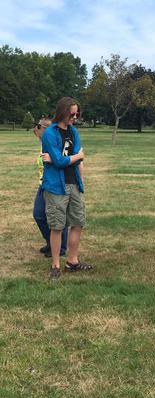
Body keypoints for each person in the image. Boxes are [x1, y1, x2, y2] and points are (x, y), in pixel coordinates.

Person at [42, 97, 91, 280]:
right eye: (72, 113)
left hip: (74, 184)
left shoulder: (74, 132)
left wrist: (73, 158)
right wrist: (76, 156)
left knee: (78, 223)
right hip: (56, 186)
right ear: (63, 112)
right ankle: (55, 265)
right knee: (57, 226)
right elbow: (61, 160)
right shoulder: (50, 134)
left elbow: (73, 158)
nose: (75, 117)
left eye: (77, 113)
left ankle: (72, 261)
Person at [33, 118, 68, 257]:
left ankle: (61, 248)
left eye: (38, 133)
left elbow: (66, 160)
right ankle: (51, 242)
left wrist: (53, 159)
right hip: (43, 184)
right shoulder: (43, 143)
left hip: (56, 184)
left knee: (58, 218)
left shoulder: (58, 142)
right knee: (39, 215)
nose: (38, 137)